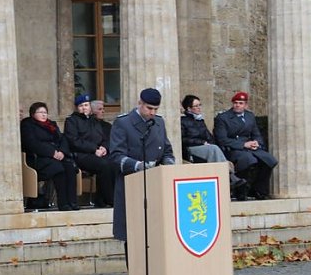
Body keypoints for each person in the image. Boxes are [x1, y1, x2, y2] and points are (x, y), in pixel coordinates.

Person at [109, 88, 175, 245]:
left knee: (155, 233)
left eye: (156, 109)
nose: (152, 112)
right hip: (132, 183)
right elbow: (116, 156)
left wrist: (168, 164)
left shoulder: (159, 122)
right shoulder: (123, 123)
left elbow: (166, 150)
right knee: (133, 234)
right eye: (149, 108)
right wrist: (138, 165)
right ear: (140, 103)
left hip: (155, 184)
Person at [213, 91, 278, 200]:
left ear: (246, 105)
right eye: (235, 103)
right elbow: (222, 139)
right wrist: (243, 144)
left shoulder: (249, 116)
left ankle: (258, 189)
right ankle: (240, 190)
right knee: (249, 160)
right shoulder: (223, 118)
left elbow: (256, 133)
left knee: (270, 160)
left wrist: (257, 143)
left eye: (241, 103)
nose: (237, 105)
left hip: (250, 147)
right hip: (234, 148)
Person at [180, 95, 246, 193]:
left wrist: (210, 143)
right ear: (189, 108)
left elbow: (209, 137)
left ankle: (230, 178)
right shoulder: (183, 121)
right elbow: (182, 139)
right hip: (191, 148)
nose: (199, 108)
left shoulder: (200, 120)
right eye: (196, 106)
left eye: (200, 105)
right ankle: (230, 177)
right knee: (213, 149)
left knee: (214, 148)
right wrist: (201, 142)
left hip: (206, 147)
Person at [21, 101, 79, 211]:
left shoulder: (51, 124)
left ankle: (73, 202)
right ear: (33, 114)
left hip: (56, 157)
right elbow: (32, 143)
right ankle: (63, 203)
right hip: (38, 158)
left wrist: (62, 152)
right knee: (58, 169)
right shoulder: (27, 125)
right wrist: (52, 152)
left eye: (45, 112)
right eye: (40, 112)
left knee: (70, 167)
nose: (44, 115)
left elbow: (62, 139)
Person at [64, 93, 116, 207]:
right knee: (104, 165)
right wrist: (94, 149)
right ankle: (110, 199)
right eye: (81, 105)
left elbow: (103, 137)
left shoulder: (94, 121)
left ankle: (101, 199)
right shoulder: (71, 121)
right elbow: (74, 141)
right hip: (81, 155)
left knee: (114, 163)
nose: (84, 108)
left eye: (86, 105)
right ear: (77, 108)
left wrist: (104, 147)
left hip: (97, 153)